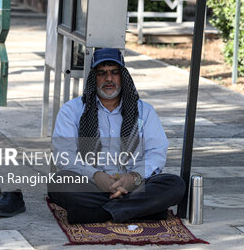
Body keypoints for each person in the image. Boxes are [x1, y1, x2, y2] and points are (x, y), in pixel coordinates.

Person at [48, 48, 185, 224]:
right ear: (93, 78)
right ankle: (142, 210)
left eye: (114, 72)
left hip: (134, 186)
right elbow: (64, 155)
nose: (109, 78)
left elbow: (156, 153)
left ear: (123, 76)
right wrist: (96, 176)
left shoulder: (144, 111)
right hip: (92, 185)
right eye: (102, 73)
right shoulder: (72, 110)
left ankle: (99, 214)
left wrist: (133, 177)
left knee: (175, 184)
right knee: (59, 182)